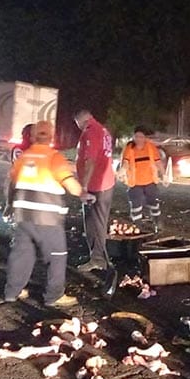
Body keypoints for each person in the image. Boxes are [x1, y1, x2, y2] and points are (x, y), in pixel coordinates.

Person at [2, 121, 86, 307]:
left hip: (23, 216)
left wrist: (9, 205)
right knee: (56, 256)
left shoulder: (23, 158)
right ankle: (53, 297)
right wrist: (84, 194)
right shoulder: (54, 157)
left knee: (22, 254)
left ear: (32, 137)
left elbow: (11, 185)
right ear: (51, 137)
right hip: (47, 219)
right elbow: (70, 184)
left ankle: (12, 293)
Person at [74, 110, 115, 272]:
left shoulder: (91, 132)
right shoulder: (103, 130)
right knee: (99, 222)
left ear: (82, 121)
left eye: (78, 125)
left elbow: (90, 160)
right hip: (106, 182)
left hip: (96, 185)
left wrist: (84, 186)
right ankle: (98, 256)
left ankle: (98, 259)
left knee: (94, 223)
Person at [118, 126, 164, 230]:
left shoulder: (151, 147)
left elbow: (158, 162)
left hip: (150, 182)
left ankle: (157, 223)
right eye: (136, 136)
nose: (138, 139)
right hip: (135, 183)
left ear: (145, 138)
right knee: (136, 206)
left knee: (153, 204)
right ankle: (138, 227)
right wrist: (122, 171)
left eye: (141, 136)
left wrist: (164, 174)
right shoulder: (129, 147)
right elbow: (126, 162)